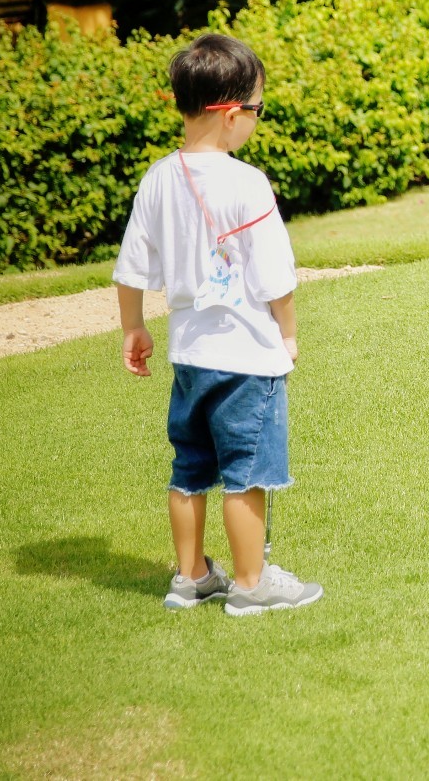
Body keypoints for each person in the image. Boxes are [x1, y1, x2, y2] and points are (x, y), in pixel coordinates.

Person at [115, 33, 322, 614]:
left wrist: (134, 327)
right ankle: (252, 586)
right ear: (231, 114)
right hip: (246, 360)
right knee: (246, 472)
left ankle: (190, 577)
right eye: (257, 110)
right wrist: (288, 334)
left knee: (189, 468)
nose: (256, 120)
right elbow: (275, 278)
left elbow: (132, 267)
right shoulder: (246, 182)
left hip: (190, 356)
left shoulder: (157, 179)